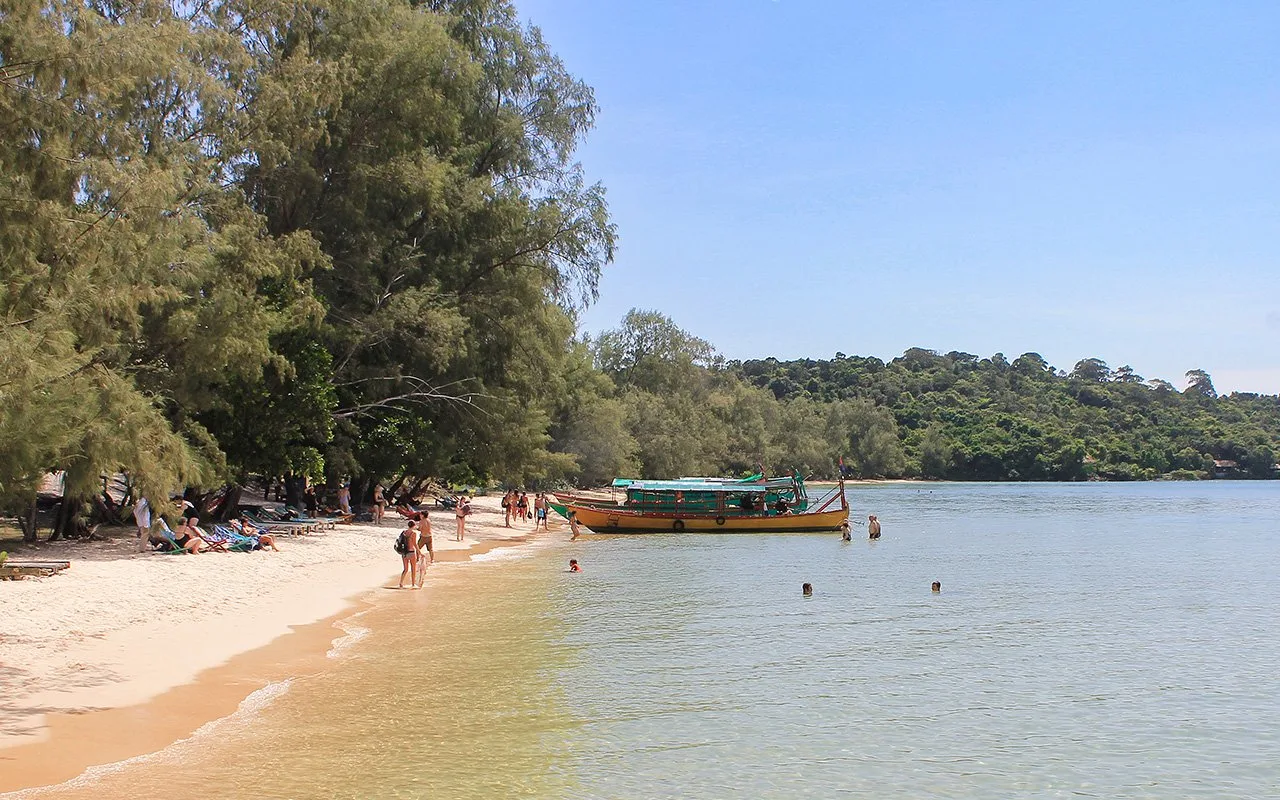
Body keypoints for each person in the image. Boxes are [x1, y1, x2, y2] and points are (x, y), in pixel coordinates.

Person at [396, 520, 418, 589]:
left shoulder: (404, 532)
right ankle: (413, 584)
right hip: (411, 552)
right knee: (413, 569)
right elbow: (415, 544)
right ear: (414, 526)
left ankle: (401, 583)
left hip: (404, 552)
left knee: (405, 569)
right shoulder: (413, 533)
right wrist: (419, 552)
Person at [415, 511, 433, 587]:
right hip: (429, 536)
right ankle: (432, 559)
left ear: (422, 515)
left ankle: (416, 559)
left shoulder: (421, 521)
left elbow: (421, 528)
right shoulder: (428, 520)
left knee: (417, 548)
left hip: (423, 537)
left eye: (420, 514)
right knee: (431, 549)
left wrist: (417, 528)